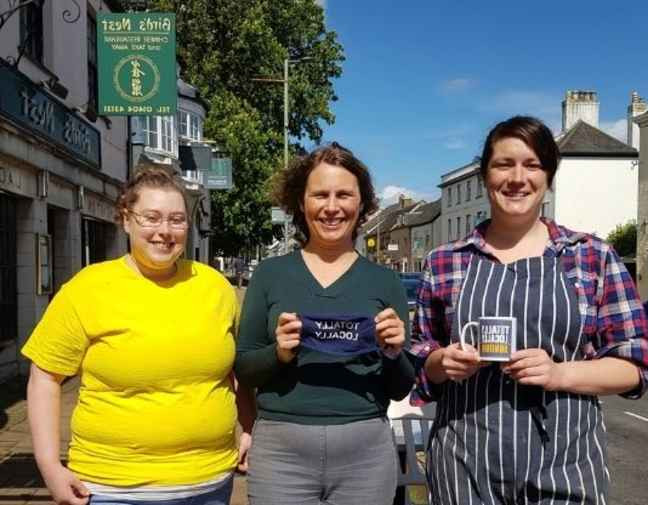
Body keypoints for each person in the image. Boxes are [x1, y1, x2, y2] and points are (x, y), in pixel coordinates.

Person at [409, 116, 648, 505]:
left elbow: (636, 366)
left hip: (566, 465)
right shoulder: (446, 261)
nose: (517, 178)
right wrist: (441, 362)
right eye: (503, 165)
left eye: (532, 165)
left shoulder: (592, 257)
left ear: (549, 176)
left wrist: (558, 372)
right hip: (464, 466)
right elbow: (418, 358)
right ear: (485, 176)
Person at [23, 165, 254, 505]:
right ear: (126, 219)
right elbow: (44, 377)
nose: (165, 230)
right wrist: (49, 465)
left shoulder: (214, 287)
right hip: (112, 489)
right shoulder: (88, 288)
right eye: (152, 217)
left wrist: (249, 426)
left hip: (210, 483)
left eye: (176, 219)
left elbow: (238, 370)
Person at [234, 143, 415, 505]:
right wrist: (279, 354)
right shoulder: (270, 275)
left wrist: (395, 354)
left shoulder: (386, 282)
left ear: (362, 204)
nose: (332, 207)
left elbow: (400, 388)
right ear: (301, 203)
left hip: (366, 456)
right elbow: (244, 369)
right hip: (281, 454)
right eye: (320, 195)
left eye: (344, 195)